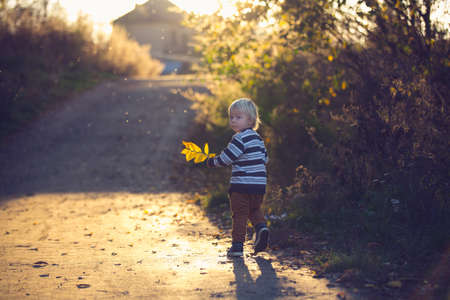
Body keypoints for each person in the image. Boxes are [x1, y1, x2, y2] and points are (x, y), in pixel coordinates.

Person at [207, 98, 269, 257]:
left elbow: (226, 158)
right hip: (259, 186)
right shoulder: (258, 140)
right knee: (254, 209)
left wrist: (212, 162)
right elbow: (265, 159)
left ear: (250, 120)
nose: (233, 120)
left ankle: (237, 246)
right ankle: (261, 227)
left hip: (241, 186)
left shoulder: (239, 139)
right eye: (231, 117)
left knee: (239, 214)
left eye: (238, 117)